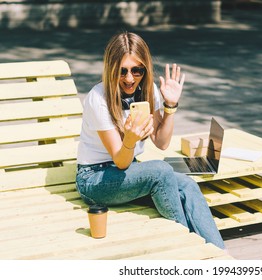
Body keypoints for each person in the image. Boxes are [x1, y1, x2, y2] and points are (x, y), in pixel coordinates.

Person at [75, 31, 225, 249]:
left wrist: (170, 106)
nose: (129, 78)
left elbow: (161, 142)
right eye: (122, 71)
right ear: (111, 69)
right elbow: (121, 161)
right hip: (94, 179)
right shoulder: (99, 98)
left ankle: (220, 255)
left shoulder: (148, 90)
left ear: (145, 69)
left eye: (136, 70)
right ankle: (188, 247)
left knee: (188, 186)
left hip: (127, 173)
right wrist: (130, 140)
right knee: (161, 170)